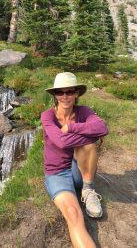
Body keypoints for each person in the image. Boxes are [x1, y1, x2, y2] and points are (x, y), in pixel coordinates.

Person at [41, 72, 109, 248]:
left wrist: (71, 127)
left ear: (77, 93)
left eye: (69, 91)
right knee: (73, 213)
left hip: (77, 168)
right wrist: (92, 137)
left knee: (87, 147)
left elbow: (102, 127)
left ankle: (87, 189)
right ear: (54, 95)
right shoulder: (47, 116)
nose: (64, 97)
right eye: (59, 92)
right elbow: (61, 142)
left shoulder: (83, 111)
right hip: (56, 173)